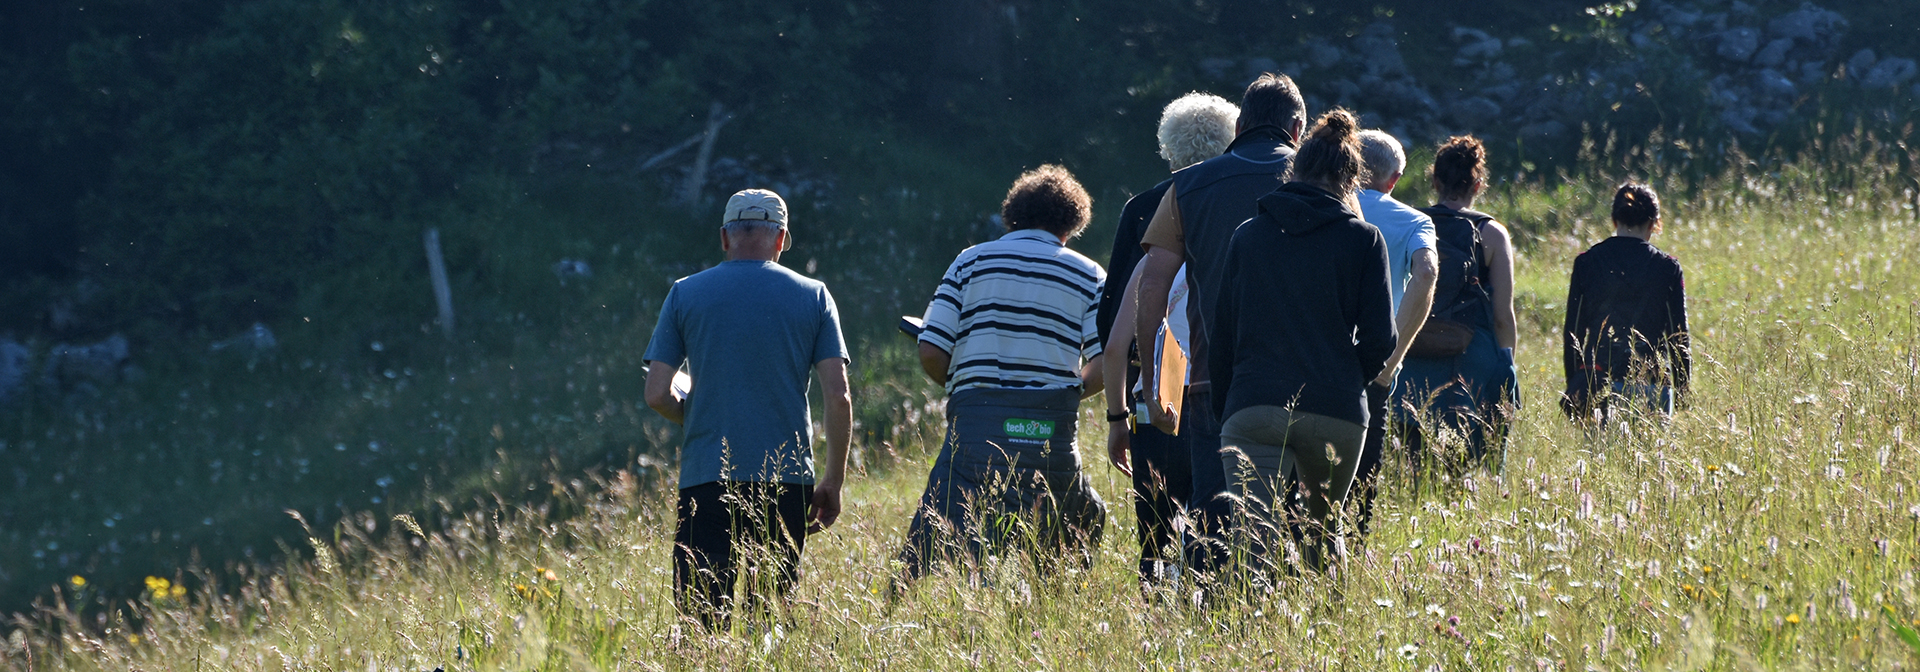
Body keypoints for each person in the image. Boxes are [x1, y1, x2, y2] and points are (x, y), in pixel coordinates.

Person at [642, 189, 852, 630]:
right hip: (786, 481)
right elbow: (838, 396)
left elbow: (657, 394)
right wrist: (832, 481)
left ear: (724, 237)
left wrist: (696, 415)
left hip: (707, 477)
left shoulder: (684, 293)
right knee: (769, 625)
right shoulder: (814, 295)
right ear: (781, 239)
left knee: (701, 626)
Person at [895, 165, 1109, 588]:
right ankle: (1047, 607)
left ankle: (911, 603)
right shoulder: (1089, 273)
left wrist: (962, 386)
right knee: (1079, 519)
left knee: (935, 536)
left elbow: (932, 348)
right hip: (1051, 432)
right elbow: (1104, 363)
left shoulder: (970, 261)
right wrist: (1061, 397)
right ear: (1071, 225)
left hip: (975, 425)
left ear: (1013, 215)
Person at [1130, 73, 1308, 577]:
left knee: (1213, 518)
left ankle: (1212, 614)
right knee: (1296, 521)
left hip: (1213, 381)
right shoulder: (1320, 182)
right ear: (1298, 129)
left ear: (1241, 125)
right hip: (1304, 379)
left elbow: (1152, 287)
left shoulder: (1189, 186)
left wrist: (1152, 384)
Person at [1210, 108, 1395, 574]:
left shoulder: (1247, 237)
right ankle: (1325, 617)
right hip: (1336, 409)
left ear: (1293, 169)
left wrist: (1226, 407)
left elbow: (1222, 335)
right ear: (1349, 182)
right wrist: (1345, 379)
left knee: (1252, 542)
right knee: (1324, 538)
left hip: (1253, 404)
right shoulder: (1365, 239)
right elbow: (1381, 338)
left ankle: (1251, 619)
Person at [1099, 92, 1237, 585]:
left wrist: (1119, 411)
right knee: (1215, 524)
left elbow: (1113, 318)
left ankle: (1158, 605)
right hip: (1218, 387)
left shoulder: (1143, 208)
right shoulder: (1236, 202)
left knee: (1156, 534)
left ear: (1168, 144)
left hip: (1153, 393)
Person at [1394, 136, 1520, 468]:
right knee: (1467, 465)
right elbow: (1503, 314)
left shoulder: (1413, 223)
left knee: (1407, 465)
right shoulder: (1492, 233)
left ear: (1435, 181)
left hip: (1410, 356)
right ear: (1478, 185)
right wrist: (1507, 365)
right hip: (1470, 360)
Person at [1348, 129, 1439, 536]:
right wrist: (1391, 359)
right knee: (1359, 485)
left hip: (1313, 357)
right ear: (1395, 179)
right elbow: (1427, 272)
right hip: (1374, 367)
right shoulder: (1415, 221)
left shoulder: (1327, 204)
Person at [1561, 182, 1691, 422]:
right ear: (1654, 224)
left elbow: (1573, 332)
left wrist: (1576, 384)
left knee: (1601, 448)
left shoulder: (1586, 263)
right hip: (1653, 384)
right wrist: (1683, 390)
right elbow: (1678, 337)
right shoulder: (1667, 268)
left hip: (1599, 383)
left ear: (1614, 220)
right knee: (1652, 448)